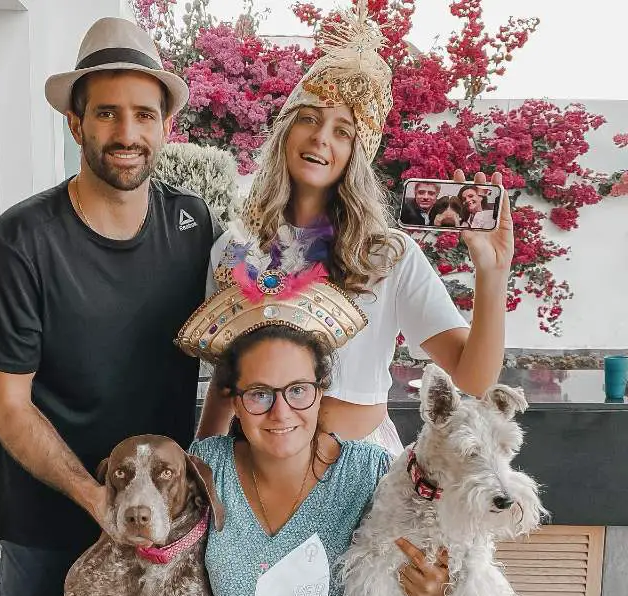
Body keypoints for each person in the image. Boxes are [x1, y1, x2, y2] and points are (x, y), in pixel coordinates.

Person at [0, 17, 220, 596]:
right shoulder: (16, 245)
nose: (127, 132)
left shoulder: (193, 225)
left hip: (162, 521)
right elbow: (9, 406)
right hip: (50, 518)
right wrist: (98, 500)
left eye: (144, 114)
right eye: (106, 112)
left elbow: (230, 355)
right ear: (76, 125)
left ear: (166, 126)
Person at [81, 323, 451, 596]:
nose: (281, 411)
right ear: (234, 401)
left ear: (320, 392)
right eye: (259, 394)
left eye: (297, 391)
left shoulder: (375, 474)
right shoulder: (208, 468)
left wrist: (439, 593)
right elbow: (132, 542)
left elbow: (457, 561)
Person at [196, 8, 515, 453]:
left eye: (342, 130)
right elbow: (226, 381)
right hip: (258, 471)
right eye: (308, 118)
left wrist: (492, 273)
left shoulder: (387, 254)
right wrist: (204, 465)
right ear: (286, 131)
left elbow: (473, 377)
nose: (321, 137)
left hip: (363, 472)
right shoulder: (233, 249)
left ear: (356, 154)